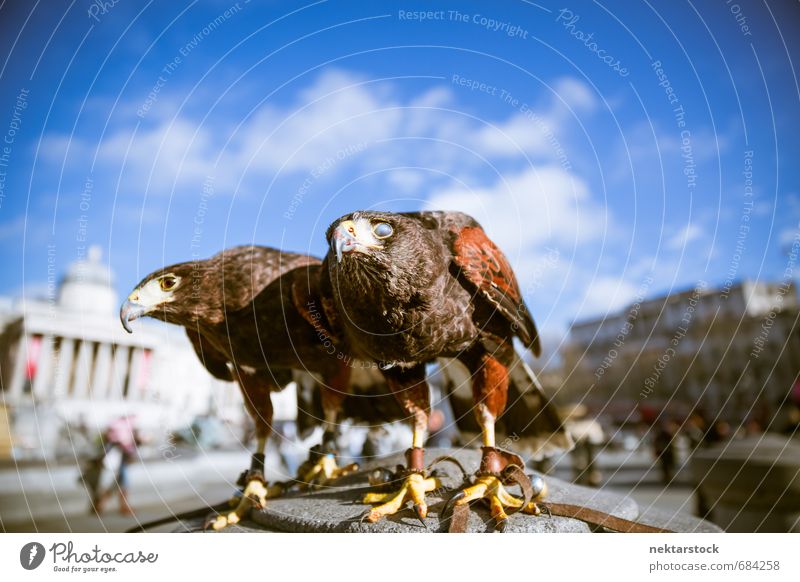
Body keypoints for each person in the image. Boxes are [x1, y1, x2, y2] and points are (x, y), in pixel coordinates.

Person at [91, 415, 141, 516]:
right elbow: (126, 445)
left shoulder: (115, 427)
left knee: (118, 484)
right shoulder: (123, 428)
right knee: (122, 484)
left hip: (119, 460)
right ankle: (120, 506)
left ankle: (102, 505)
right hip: (120, 461)